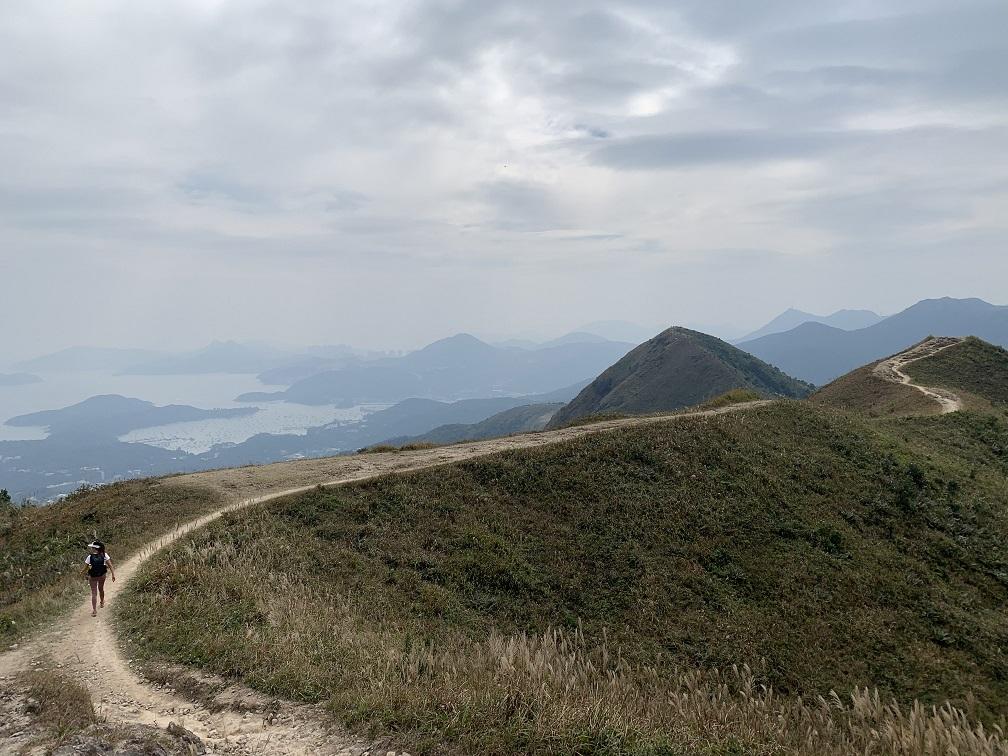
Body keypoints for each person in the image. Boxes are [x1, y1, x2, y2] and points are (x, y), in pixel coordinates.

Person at [81, 541, 115, 617]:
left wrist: (82, 572)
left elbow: (85, 567)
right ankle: (102, 602)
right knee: (101, 588)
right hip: (102, 575)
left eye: (92, 547)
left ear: (94, 548)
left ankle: (94, 610)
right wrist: (113, 574)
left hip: (92, 576)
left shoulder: (90, 557)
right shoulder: (104, 555)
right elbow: (110, 565)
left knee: (94, 592)